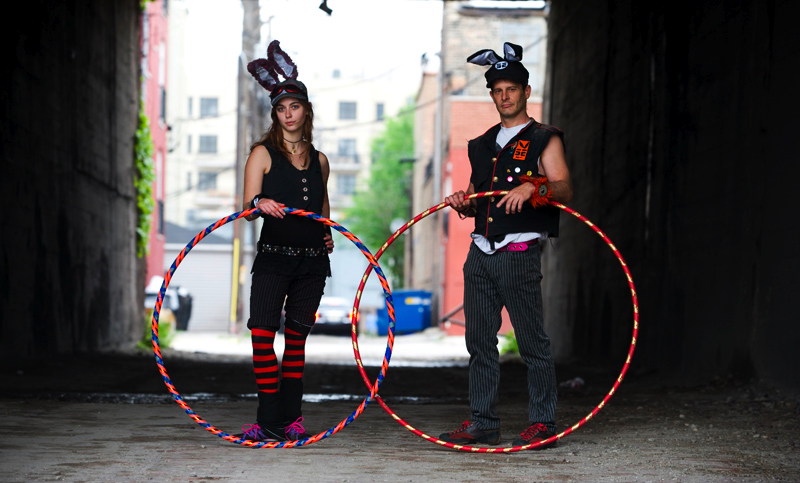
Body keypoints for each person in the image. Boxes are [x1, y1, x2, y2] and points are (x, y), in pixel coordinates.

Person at [441, 42, 573, 448]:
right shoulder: (481, 144)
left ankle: (543, 424)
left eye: (511, 89)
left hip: (518, 254)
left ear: (526, 92)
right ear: (492, 95)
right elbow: (474, 196)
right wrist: (462, 202)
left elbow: (564, 188)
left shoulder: (544, 138)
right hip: (479, 254)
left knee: (533, 343)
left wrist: (533, 186)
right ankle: (483, 421)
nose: (505, 96)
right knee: (479, 342)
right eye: (498, 90)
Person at [237, 41, 334, 442]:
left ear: (306, 110)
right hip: (273, 258)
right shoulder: (262, 154)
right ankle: (268, 421)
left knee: (295, 341)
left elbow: (323, 207)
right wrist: (259, 203)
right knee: (262, 335)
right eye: (281, 108)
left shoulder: (320, 159)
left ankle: (291, 419)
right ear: (275, 113)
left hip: (311, 262)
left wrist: (327, 232)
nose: (288, 114)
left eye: (295, 106)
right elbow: (245, 208)